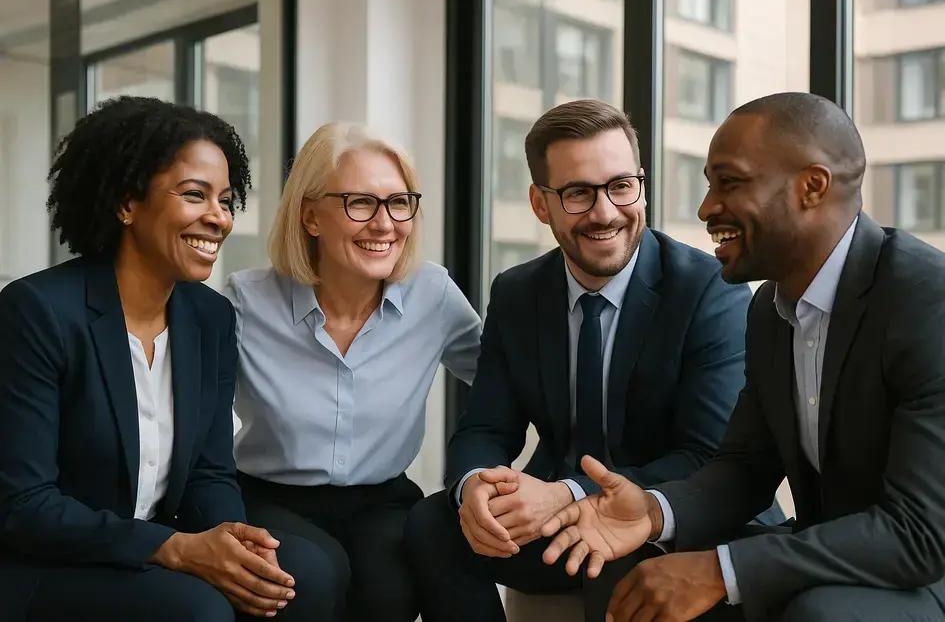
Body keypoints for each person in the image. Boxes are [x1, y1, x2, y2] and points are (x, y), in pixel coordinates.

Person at [541, 92, 945, 622]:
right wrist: (652, 513)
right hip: (830, 551)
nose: (706, 207)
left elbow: (919, 532)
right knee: (632, 571)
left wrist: (722, 570)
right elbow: (747, 468)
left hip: (924, 570)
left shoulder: (925, 301)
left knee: (821, 612)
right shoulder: (768, 310)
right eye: (709, 185)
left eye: (729, 182)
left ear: (812, 187)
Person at [406, 99, 778, 622]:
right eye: (578, 193)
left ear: (640, 185)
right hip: (564, 516)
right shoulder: (517, 293)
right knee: (431, 523)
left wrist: (565, 493)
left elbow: (705, 457)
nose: (605, 212)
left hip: (677, 517)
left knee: (621, 571)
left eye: (621, 186)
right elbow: (486, 426)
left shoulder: (708, 291)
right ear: (541, 203)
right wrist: (477, 489)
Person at [0, 96, 345, 622]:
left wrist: (232, 542)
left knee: (304, 578)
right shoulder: (38, 312)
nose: (218, 218)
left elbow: (209, 472)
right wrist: (175, 549)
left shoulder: (209, 317)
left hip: (157, 548)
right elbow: (24, 506)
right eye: (194, 195)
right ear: (126, 203)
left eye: (226, 200)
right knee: (199, 611)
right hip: (48, 562)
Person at [225, 121, 481, 622]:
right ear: (311, 216)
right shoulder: (245, 302)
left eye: (399, 202)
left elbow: (506, 384)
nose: (385, 224)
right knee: (310, 577)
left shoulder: (434, 294)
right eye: (360, 203)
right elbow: (190, 419)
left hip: (382, 501)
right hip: (268, 497)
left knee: (388, 587)